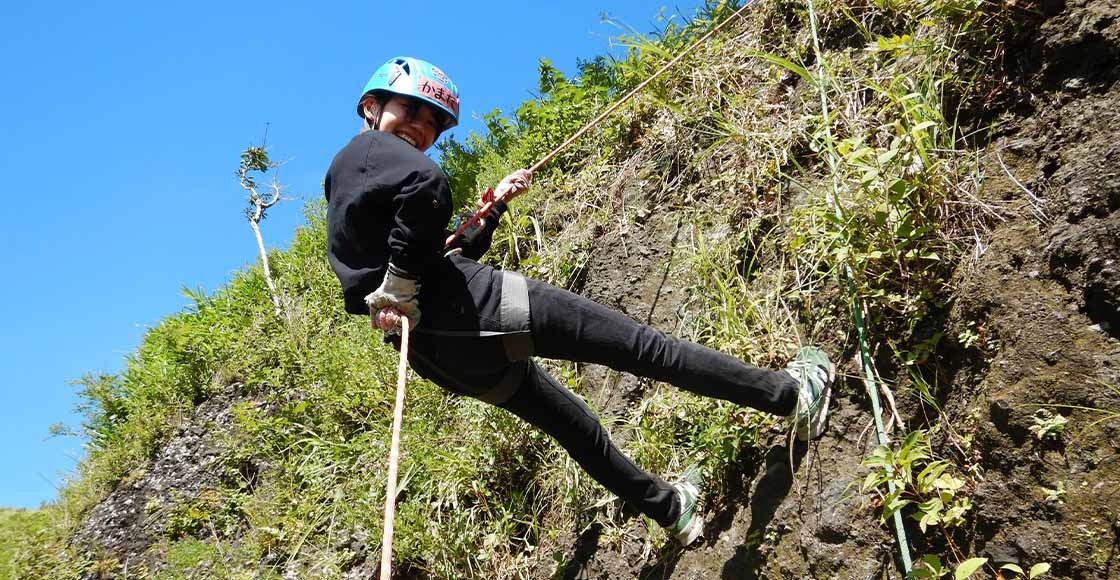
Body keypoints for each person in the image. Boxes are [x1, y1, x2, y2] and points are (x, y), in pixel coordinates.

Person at [324, 56, 835, 546]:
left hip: (443, 356)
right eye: (410, 109)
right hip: (479, 305)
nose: (420, 127)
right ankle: (791, 397)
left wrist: (491, 210)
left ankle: (671, 510)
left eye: (433, 121)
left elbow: (419, 254)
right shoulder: (369, 152)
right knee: (644, 348)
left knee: (575, 428)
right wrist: (402, 280)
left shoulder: (353, 181)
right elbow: (427, 187)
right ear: (372, 105)